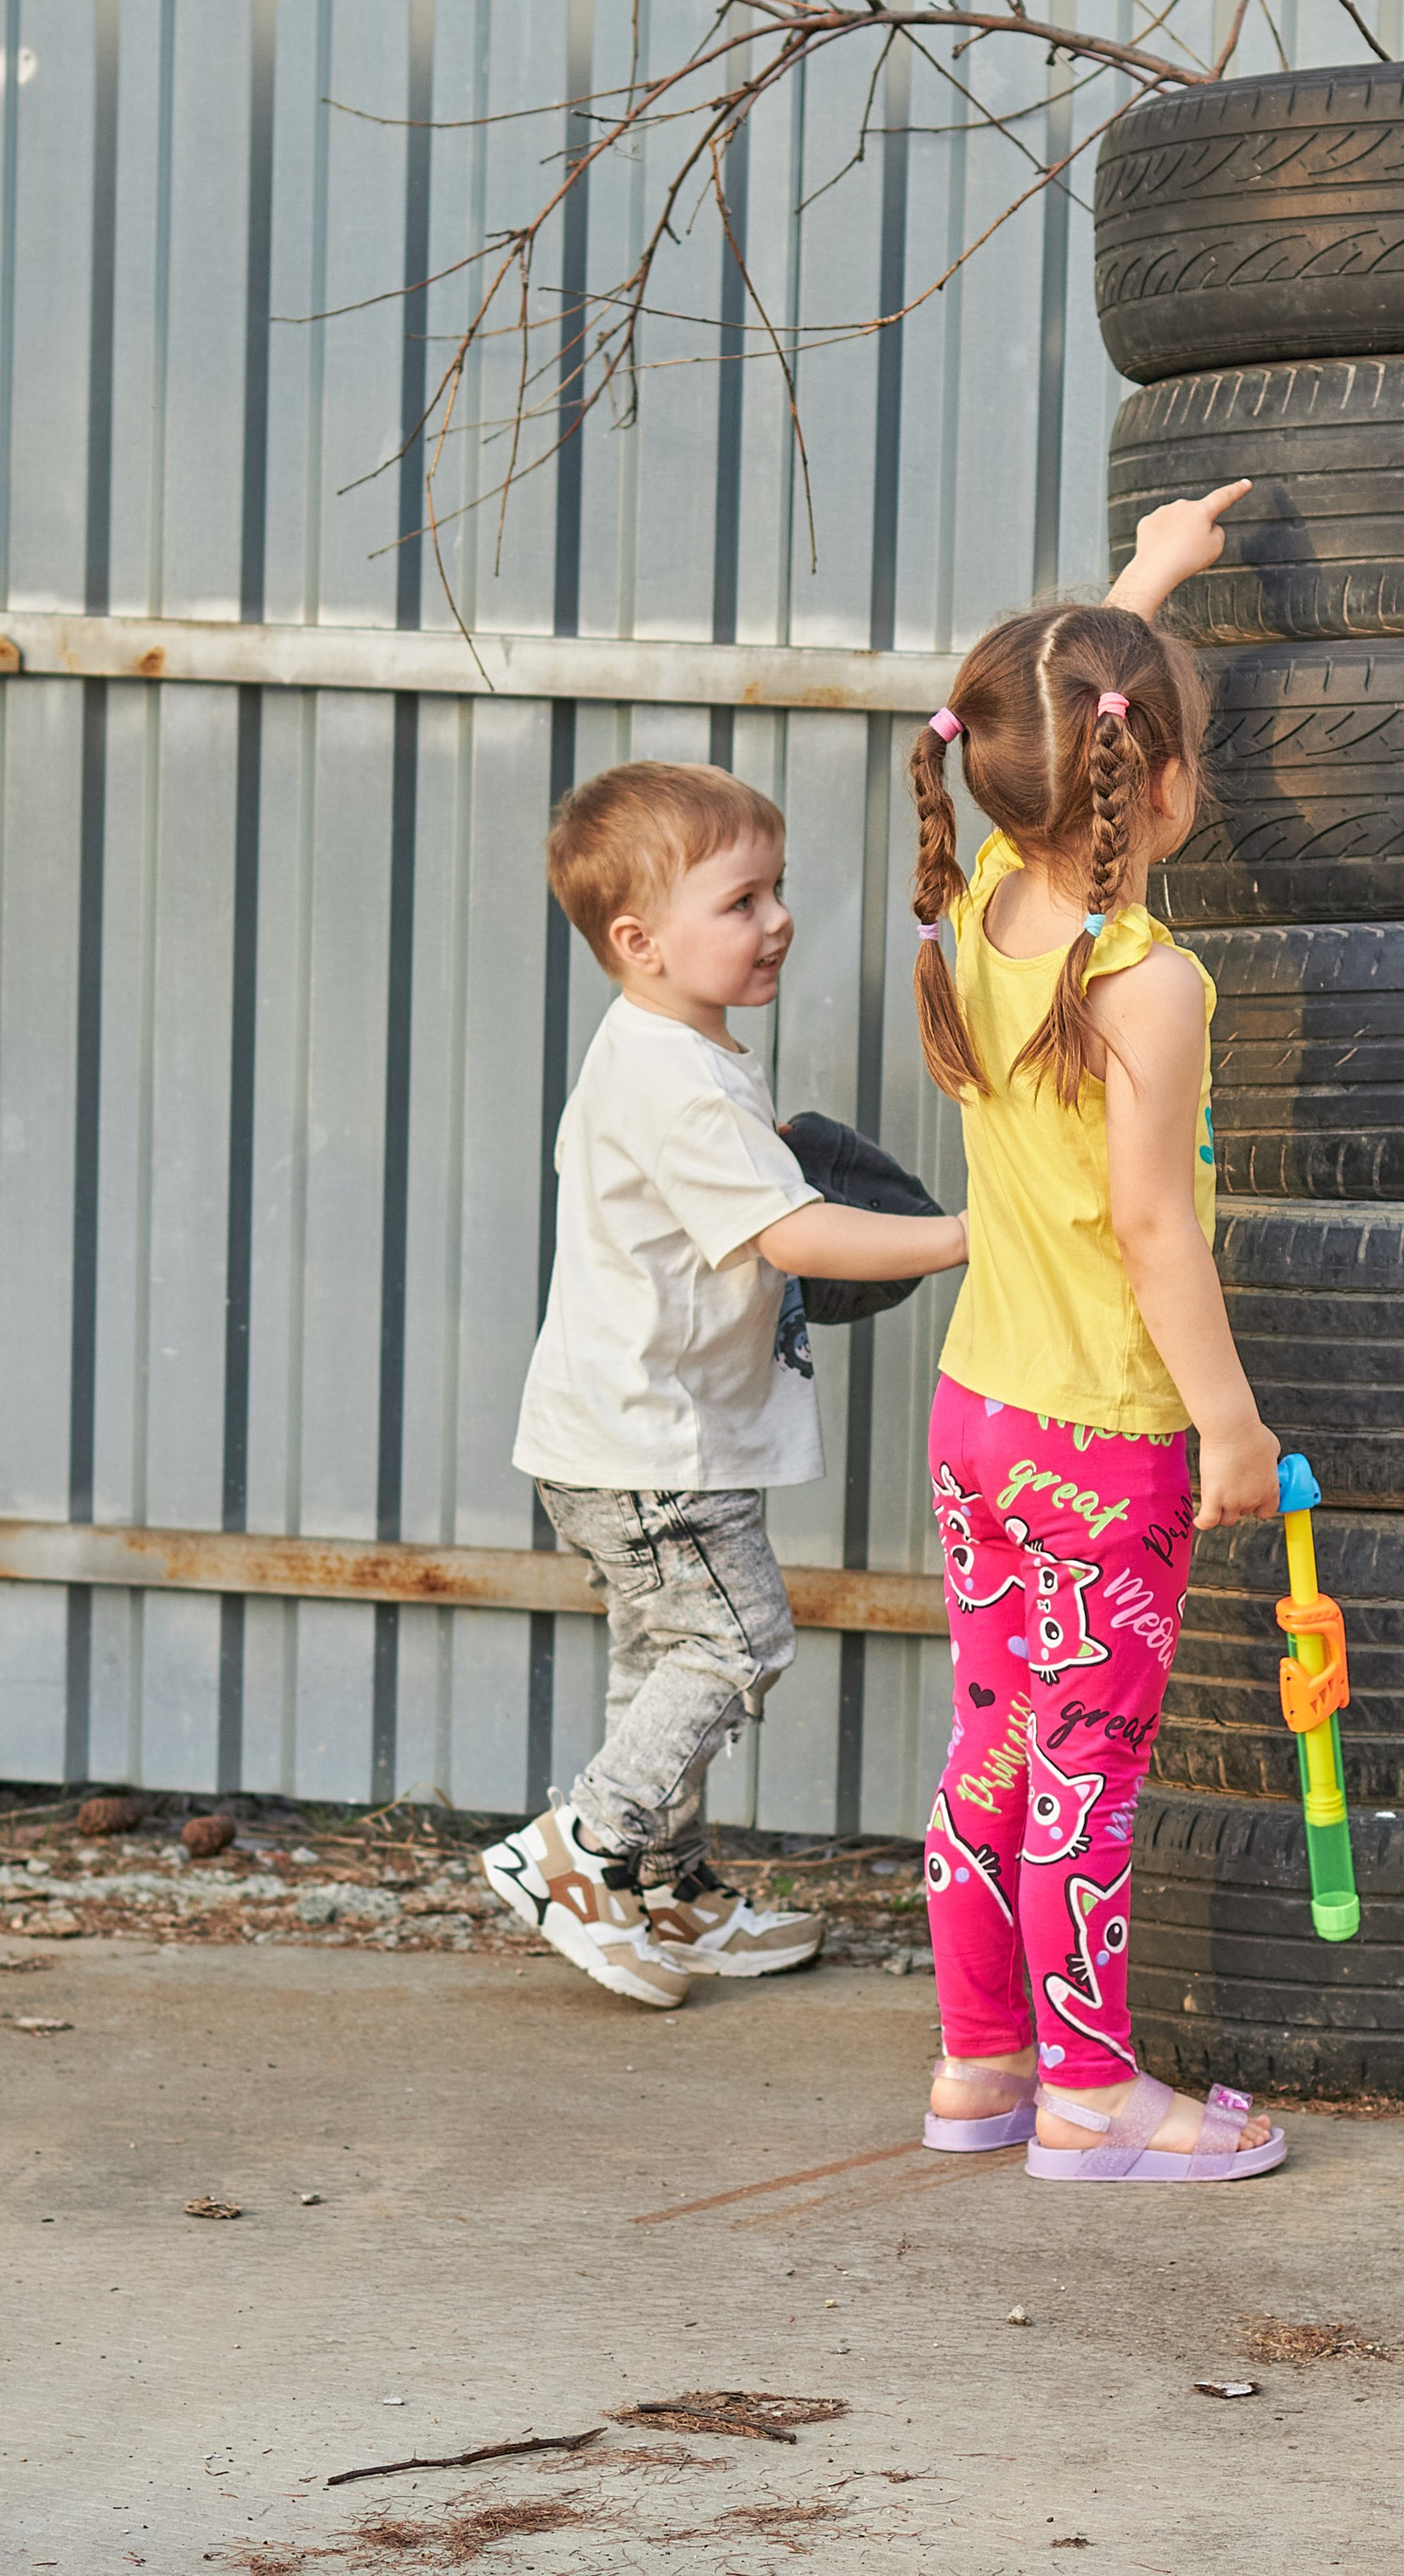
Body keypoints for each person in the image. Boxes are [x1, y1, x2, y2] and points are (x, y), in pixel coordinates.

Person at [909, 482, 1291, 2181]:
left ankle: (977, 2072)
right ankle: (1089, 2096)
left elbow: (1048, 711)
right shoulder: (1148, 977)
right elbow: (1155, 1228)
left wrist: (1145, 574)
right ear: (1159, 777)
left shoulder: (982, 893)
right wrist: (1227, 1421)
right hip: (1102, 1438)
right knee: (1085, 1766)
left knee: (992, 1738)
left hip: (980, 1415)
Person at [479, 759, 967, 2010]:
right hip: (655, 1448)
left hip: (622, 1436)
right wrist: (977, 1232)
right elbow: (797, 1237)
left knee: (663, 1661)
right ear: (639, 941)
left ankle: (664, 1886)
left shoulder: (670, 1046)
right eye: (742, 900)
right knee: (734, 1636)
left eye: (777, 890)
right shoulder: (675, 1080)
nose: (777, 920)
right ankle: (582, 1848)